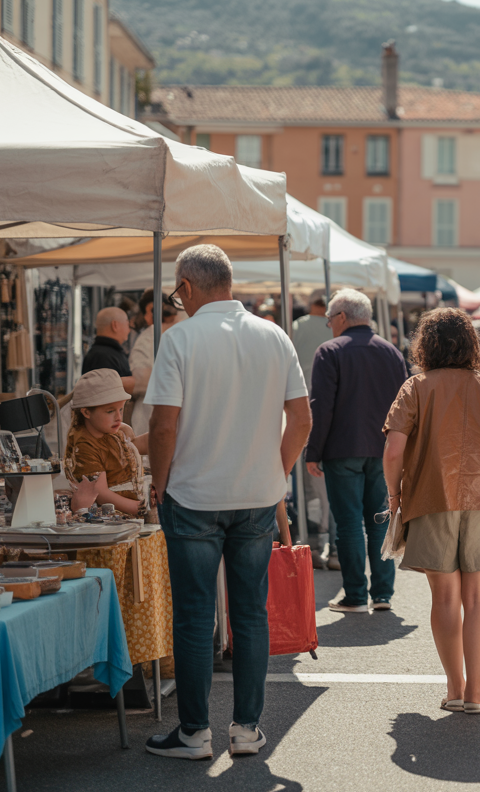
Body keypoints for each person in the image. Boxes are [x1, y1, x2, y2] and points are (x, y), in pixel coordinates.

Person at [144, 245, 312, 760]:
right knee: (250, 614)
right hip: (256, 495)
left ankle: (194, 733)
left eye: (178, 292)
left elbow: (164, 424)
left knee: (195, 617)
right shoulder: (273, 335)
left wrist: (160, 481)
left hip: (193, 494)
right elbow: (302, 421)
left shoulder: (179, 339)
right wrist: (275, 472)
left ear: (188, 288)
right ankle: (246, 729)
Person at [382, 309, 480, 714]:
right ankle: (476, 693)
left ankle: (455, 688)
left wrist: (395, 494)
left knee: (445, 599)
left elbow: (393, 451)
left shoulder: (416, 387)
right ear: (471, 344)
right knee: (478, 600)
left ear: (425, 344)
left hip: (430, 499)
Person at [305, 288, 406, 613]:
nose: (329, 324)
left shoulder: (330, 351)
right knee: (379, 520)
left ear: (342, 317)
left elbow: (321, 408)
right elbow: (404, 407)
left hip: (342, 448)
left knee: (348, 523)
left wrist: (313, 450)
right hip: (384, 449)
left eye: (329, 319)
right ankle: (383, 594)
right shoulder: (391, 352)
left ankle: (355, 594)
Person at [292, 290, 337, 569]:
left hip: (299, 406)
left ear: (312, 304)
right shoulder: (335, 328)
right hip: (330, 408)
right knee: (327, 481)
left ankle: (313, 541)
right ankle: (330, 543)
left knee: (306, 480)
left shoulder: (298, 327)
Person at [65, 369, 149, 516]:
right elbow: (102, 494)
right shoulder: (84, 445)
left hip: (131, 509)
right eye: (110, 411)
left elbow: (133, 447)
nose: (118, 417)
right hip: (114, 516)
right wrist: (140, 509)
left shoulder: (111, 431)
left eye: (121, 409)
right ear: (86, 412)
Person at [128, 290, 180, 436]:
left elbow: (140, 379)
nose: (148, 317)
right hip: (157, 415)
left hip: (152, 414)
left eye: (153, 311)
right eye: (148, 311)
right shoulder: (186, 331)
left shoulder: (149, 336)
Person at [82, 307, 135, 395]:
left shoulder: (106, 353)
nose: (129, 330)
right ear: (115, 325)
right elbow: (107, 393)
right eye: (127, 324)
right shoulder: (102, 356)